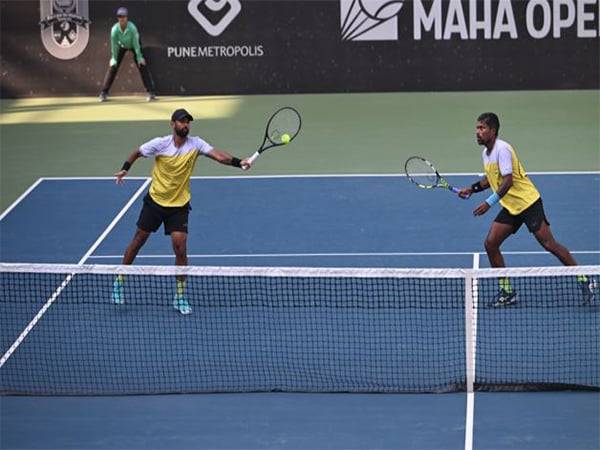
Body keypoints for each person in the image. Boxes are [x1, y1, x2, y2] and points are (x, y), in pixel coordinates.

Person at [113, 108, 251, 314]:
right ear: (173, 124)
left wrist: (238, 162)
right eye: (181, 122)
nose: (185, 125)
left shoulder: (196, 144)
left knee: (180, 248)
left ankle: (179, 296)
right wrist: (125, 168)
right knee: (138, 240)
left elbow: (218, 155)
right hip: (155, 202)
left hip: (179, 205)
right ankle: (119, 281)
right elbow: (136, 152)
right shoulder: (160, 144)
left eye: (188, 122)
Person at [459, 112, 595, 306]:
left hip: (528, 203)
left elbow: (507, 182)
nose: (478, 132)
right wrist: (472, 189)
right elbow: (492, 179)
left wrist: (488, 203)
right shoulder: (486, 154)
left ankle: (585, 279)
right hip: (511, 206)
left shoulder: (502, 149)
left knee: (549, 244)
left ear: (493, 130)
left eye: (482, 128)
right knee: (491, 243)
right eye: (477, 128)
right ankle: (507, 291)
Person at [99, 7, 156, 102]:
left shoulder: (132, 28)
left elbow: (136, 43)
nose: (121, 18)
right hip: (121, 46)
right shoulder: (114, 30)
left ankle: (151, 92)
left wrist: (139, 57)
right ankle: (104, 93)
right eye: (119, 16)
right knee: (113, 66)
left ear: (127, 17)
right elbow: (114, 45)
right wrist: (114, 58)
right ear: (117, 18)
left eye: (123, 16)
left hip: (134, 45)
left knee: (141, 64)